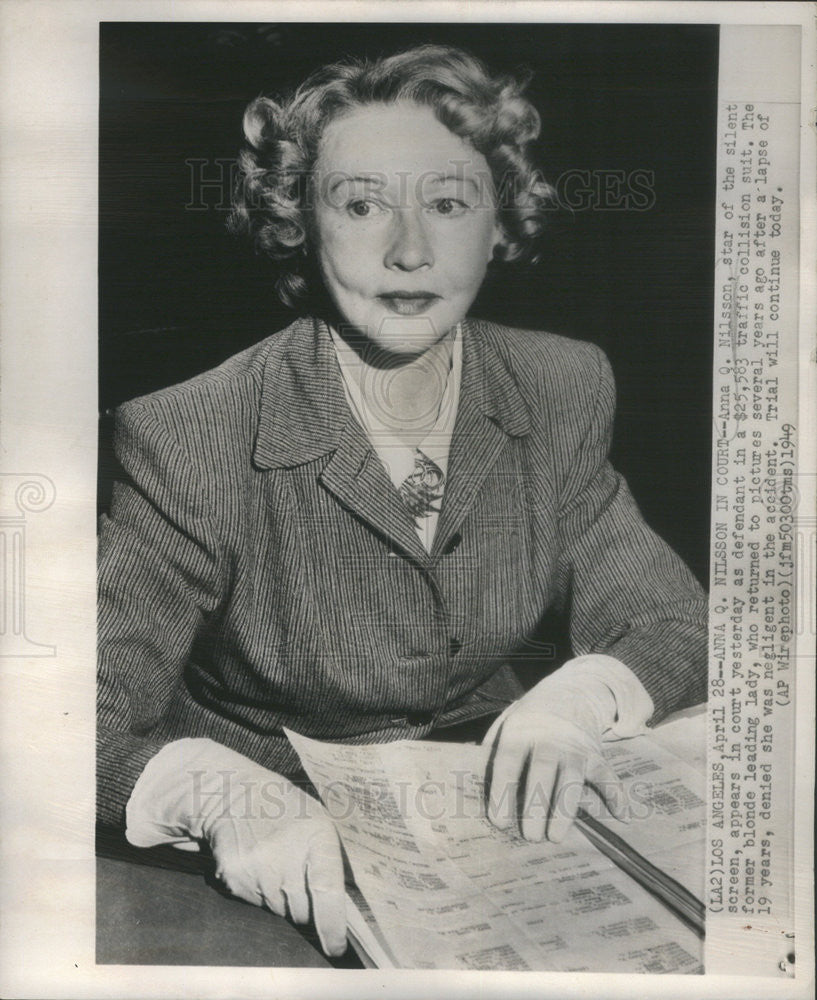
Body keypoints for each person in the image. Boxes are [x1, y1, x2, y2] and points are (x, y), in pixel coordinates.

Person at [97, 44, 707, 958]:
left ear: (499, 222)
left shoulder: (558, 384)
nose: (410, 250)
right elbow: (52, 716)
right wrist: (212, 794)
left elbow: (666, 614)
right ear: (299, 219)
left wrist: (580, 697)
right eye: (361, 203)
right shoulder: (189, 436)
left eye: (449, 204)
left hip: (480, 827)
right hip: (268, 856)